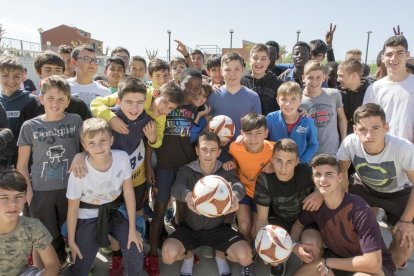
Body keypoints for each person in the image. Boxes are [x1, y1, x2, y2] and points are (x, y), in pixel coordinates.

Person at [162, 131, 254, 276]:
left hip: (219, 230)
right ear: (197, 151)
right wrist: (187, 196)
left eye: (212, 150)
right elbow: (176, 188)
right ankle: (189, 256)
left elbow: (238, 186)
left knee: (245, 256)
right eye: (204, 149)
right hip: (190, 229)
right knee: (168, 256)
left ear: (218, 152)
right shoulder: (187, 170)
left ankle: (220, 255)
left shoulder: (224, 170)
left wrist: (235, 196)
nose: (208, 154)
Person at [337, 103, 414, 269]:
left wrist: (407, 221)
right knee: (346, 226)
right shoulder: (350, 142)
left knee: (405, 243)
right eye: (363, 129)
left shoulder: (404, 148)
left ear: (386, 127)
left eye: (375, 128)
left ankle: (386, 269)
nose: (369, 134)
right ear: (355, 129)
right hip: (363, 187)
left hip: (399, 193)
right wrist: (344, 208)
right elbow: (341, 173)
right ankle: (365, 255)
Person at [291, 154, 396, 276]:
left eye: (329, 174)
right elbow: (298, 225)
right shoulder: (315, 205)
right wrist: (294, 246)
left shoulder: (359, 209)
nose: (322, 180)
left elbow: (373, 263)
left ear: (340, 177)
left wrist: (328, 262)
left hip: (373, 267)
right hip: (339, 258)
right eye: (317, 175)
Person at [63, 118, 144, 276]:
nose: (98, 147)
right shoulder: (78, 171)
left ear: (112, 140)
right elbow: (72, 209)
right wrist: (72, 241)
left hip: (114, 212)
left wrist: (132, 229)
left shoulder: (122, 158)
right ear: (84, 146)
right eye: (91, 143)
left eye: (103, 140)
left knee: (135, 248)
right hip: (87, 216)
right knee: (80, 262)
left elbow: (128, 193)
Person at [16, 75, 83, 265]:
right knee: (45, 239)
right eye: (50, 98)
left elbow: (87, 149)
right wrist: (29, 196)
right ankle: (48, 267)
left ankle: (79, 264)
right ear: (41, 98)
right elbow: (21, 165)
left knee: (72, 231)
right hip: (41, 192)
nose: (56, 103)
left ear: (68, 101)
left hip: (71, 189)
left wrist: (80, 155)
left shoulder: (76, 120)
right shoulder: (30, 126)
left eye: (61, 99)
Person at [144, 69, 203, 276]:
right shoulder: (167, 102)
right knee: (159, 212)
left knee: (183, 212)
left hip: (185, 168)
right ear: (179, 82)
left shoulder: (197, 109)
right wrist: (148, 166)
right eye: (188, 86)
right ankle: (151, 255)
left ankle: (184, 248)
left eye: (197, 88)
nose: (192, 91)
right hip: (163, 167)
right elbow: (152, 136)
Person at [254, 139, 323, 276]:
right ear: (272, 160)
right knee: (272, 248)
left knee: (313, 247)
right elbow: (262, 219)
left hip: (305, 220)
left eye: (289, 162)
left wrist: (319, 193)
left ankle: (306, 268)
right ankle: (280, 262)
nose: (283, 168)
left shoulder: (308, 172)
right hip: (279, 221)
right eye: (279, 161)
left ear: (297, 161)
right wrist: (265, 242)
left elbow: (334, 182)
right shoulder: (264, 179)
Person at [224, 113, 274, 246]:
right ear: (242, 133)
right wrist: (232, 161)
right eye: (248, 133)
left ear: (266, 133)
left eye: (258, 133)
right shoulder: (235, 147)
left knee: (255, 232)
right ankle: (249, 253)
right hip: (244, 191)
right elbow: (233, 156)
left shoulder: (274, 150)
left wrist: (275, 168)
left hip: (262, 194)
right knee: (244, 227)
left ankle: (257, 248)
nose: (253, 138)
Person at [0, 169, 60, 276]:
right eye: (4, 198)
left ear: (25, 198)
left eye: (18, 197)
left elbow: (52, 264)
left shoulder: (33, 227)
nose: (13, 204)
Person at [363, 35, 414, 143]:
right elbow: (366, 120)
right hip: (382, 150)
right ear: (382, 58)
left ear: (407, 55)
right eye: (389, 54)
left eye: (399, 53)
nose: (393, 59)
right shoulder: (374, 88)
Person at [22, 50, 91, 122]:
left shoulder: (78, 105)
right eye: (48, 70)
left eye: (58, 70)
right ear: (38, 72)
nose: (53, 74)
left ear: (63, 72)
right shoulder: (30, 108)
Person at [301, 60, 347, 155]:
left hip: (332, 152)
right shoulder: (297, 100)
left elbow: (342, 118)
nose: (314, 81)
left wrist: (343, 141)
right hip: (308, 154)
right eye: (310, 77)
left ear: (324, 77)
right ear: (303, 78)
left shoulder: (334, 94)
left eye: (318, 77)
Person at [266, 81, 318, 164]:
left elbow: (313, 145)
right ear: (277, 100)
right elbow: (264, 140)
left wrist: (301, 161)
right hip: (275, 165)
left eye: (293, 99)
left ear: (300, 100)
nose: (288, 104)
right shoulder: (271, 118)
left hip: (299, 166)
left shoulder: (307, 121)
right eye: (284, 99)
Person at [0, 55, 36, 166]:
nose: (11, 80)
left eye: (16, 76)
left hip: (26, 161)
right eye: (5, 75)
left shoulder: (31, 100)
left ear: (23, 77)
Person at [241, 43, 283, 116]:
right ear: (250, 60)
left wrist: (300, 109)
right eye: (255, 58)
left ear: (268, 62)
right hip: (248, 125)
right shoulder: (241, 81)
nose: (259, 62)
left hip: (271, 125)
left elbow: (289, 100)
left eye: (263, 58)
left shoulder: (278, 83)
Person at [337, 59, 374, 135]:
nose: (338, 79)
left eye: (341, 76)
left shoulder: (371, 92)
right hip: (341, 141)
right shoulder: (337, 93)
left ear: (354, 75)